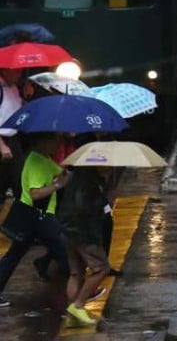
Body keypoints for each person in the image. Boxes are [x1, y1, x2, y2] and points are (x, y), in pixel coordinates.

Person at [0, 133, 70, 308]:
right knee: (65, 252)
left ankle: (45, 264)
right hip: (39, 217)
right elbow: (36, 193)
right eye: (54, 140)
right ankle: (83, 291)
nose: (57, 145)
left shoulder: (43, 159)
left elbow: (60, 173)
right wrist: (57, 185)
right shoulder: (37, 162)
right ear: (42, 141)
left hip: (33, 218)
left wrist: (69, 173)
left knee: (13, 256)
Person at [57, 166, 112, 326]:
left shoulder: (77, 176)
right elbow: (83, 207)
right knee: (102, 268)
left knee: (76, 273)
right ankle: (78, 304)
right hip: (84, 233)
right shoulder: (90, 182)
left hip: (68, 230)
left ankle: (72, 314)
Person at [0, 67, 24, 203]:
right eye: (15, 70)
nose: (19, 73)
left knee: (18, 179)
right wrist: (2, 146)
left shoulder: (14, 88)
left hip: (14, 139)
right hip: (2, 140)